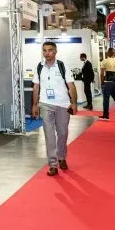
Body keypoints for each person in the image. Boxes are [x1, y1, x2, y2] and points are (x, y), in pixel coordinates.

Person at [32, 42, 77, 176]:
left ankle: (61, 157)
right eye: (44, 50)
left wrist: (74, 103)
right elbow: (36, 87)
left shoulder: (62, 66)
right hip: (45, 104)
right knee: (49, 134)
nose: (47, 53)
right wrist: (35, 104)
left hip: (63, 104)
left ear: (55, 51)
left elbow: (71, 86)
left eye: (50, 50)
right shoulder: (40, 67)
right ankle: (53, 164)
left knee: (62, 133)